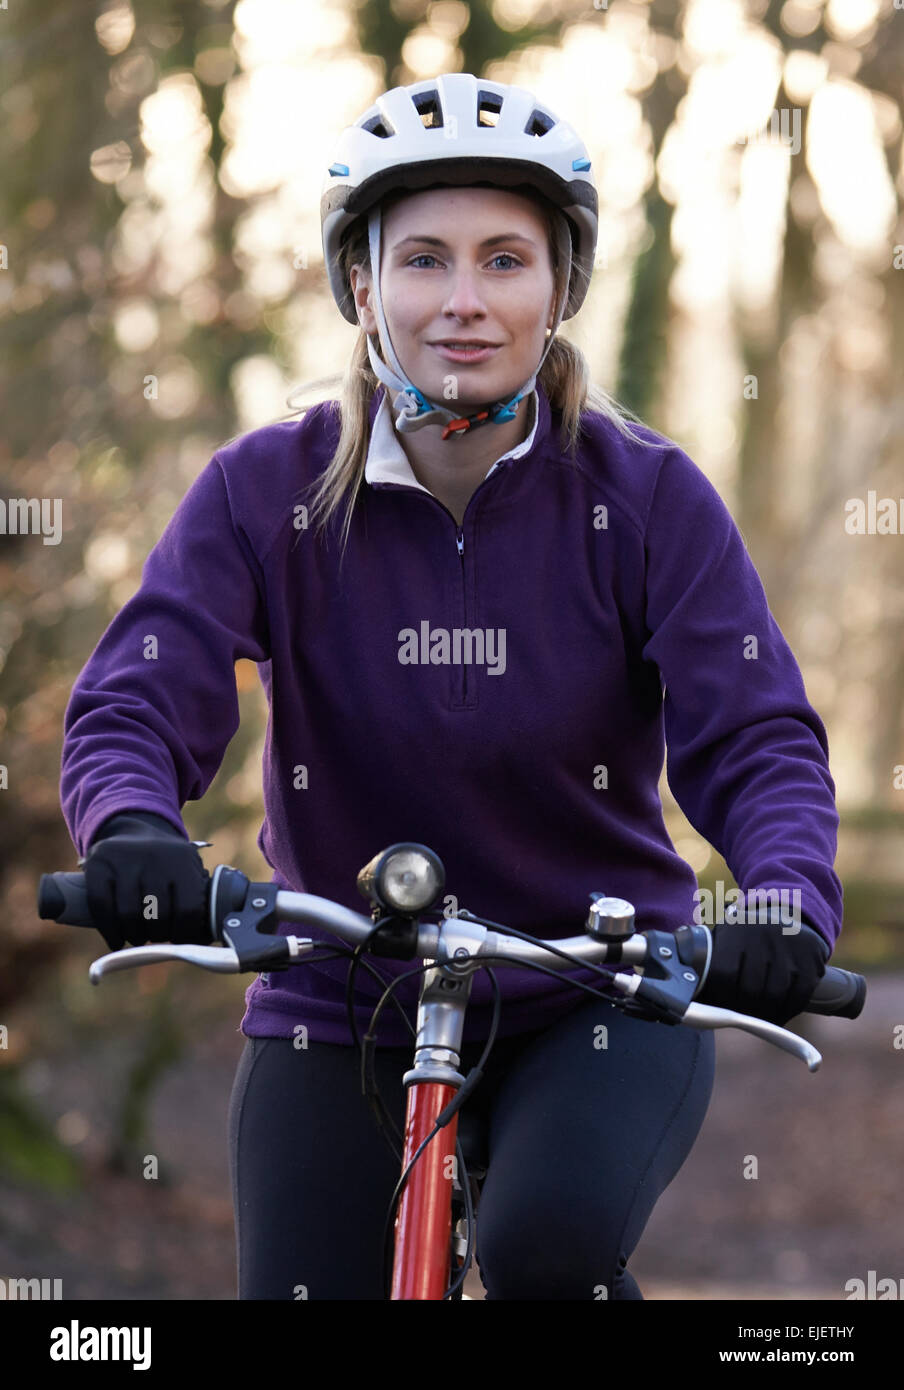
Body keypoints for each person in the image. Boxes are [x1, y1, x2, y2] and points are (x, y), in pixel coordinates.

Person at [59, 72, 842, 1300]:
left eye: (505, 261)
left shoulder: (644, 499)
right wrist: (134, 827)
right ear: (361, 285)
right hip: (340, 991)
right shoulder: (266, 491)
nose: (463, 302)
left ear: (561, 288)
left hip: (599, 988)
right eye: (422, 260)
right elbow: (136, 698)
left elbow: (757, 739)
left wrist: (784, 900)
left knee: (548, 1249)